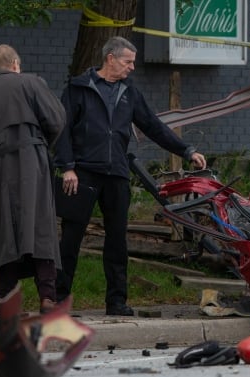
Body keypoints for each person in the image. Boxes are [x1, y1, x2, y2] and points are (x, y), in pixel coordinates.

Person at [54, 36, 207, 316]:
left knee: (117, 241)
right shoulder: (78, 89)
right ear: (110, 59)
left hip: (116, 174)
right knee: (70, 239)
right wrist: (67, 167)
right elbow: (62, 130)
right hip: (83, 174)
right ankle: (58, 301)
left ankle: (116, 302)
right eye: (128, 62)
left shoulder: (130, 92)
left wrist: (186, 150)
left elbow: (153, 126)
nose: (132, 68)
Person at [0, 44, 66, 314]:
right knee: (40, 227)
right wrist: (39, 144)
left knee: (4, 231)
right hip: (29, 162)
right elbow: (57, 120)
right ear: (15, 64)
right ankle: (47, 297)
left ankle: (6, 300)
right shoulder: (30, 83)